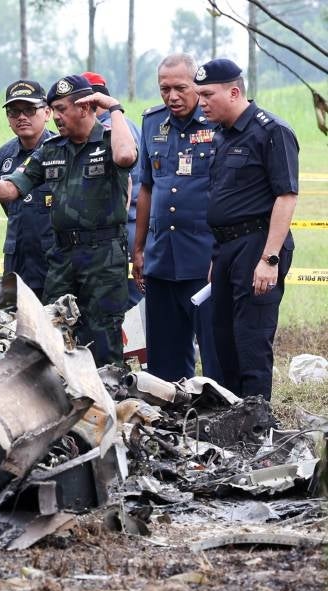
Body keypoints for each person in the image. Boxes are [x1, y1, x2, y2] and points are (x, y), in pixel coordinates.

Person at [0, 74, 138, 366]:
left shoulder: (109, 141)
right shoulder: (51, 150)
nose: (57, 117)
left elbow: (126, 156)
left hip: (103, 257)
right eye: (54, 109)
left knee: (102, 336)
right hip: (62, 257)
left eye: (62, 109)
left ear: (85, 108)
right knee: (55, 332)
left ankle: (107, 401)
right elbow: (14, 187)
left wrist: (114, 107)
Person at [194, 58, 298, 400]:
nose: (201, 102)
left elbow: (286, 196)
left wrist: (269, 258)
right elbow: (225, 198)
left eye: (207, 95)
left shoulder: (271, 131)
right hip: (226, 250)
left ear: (234, 91)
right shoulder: (222, 135)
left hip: (258, 245)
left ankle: (258, 430)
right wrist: (217, 254)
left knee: (251, 340)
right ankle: (234, 421)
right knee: (223, 340)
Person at [133, 54, 222, 382]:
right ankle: (172, 423)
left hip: (204, 257)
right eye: (164, 89)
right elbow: (146, 187)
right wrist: (139, 248)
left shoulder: (217, 120)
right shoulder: (153, 121)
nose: (172, 96)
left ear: (197, 86)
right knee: (164, 363)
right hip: (162, 258)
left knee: (216, 354)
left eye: (181, 88)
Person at [83, 71, 143, 310]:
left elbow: (124, 183)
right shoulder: (128, 125)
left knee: (120, 305)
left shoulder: (105, 132)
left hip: (117, 230)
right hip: (135, 229)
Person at [0, 79, 55, 300]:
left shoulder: (59, 151)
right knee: (16, 328)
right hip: (17, 256)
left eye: (30, 110)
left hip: (52, 259)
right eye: (14, 111)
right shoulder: (4, 155)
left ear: (47, 112)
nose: (21, 117)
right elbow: (8, 206)